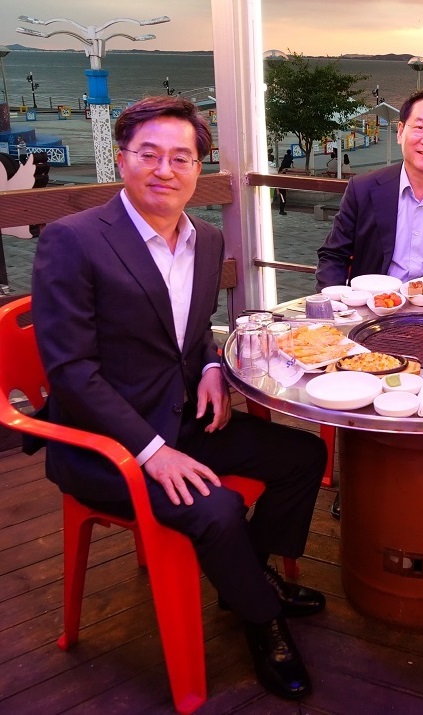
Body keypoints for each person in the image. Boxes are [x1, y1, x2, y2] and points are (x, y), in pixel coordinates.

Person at [31, 96, 330, 701]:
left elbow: (189, 335)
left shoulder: (207, 237)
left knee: (303, 459)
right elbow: (71, 372)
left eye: (181, 157)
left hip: (184, 416)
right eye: (149, 154)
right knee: (216, 509)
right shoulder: (73, 240)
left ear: (198, 168)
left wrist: (214, 365)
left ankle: (242, 577)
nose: (164, 169)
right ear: (123, 160)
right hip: (107, 445)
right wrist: (150, 452)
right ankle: (260, 616)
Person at [315, 89, 423, 289]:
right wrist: (333, 306)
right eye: (420, 127)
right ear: (400, 131)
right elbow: (334, 255)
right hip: (375, 309)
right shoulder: (362, 189)